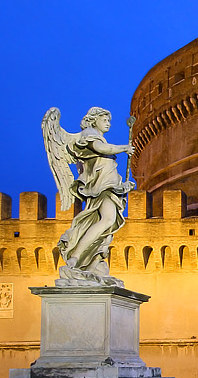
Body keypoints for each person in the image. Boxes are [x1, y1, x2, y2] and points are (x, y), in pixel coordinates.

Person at [43, 106, 135, 286]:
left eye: (109, 120)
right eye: (105, 119)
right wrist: (123, 148)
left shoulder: (99, 137)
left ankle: (89, 261)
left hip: (108, 187)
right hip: (99, 188)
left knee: (107, 225)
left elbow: (105, 163)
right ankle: (76, 258)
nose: (108, 123)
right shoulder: (89, 134)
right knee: (107, 221)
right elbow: (100, 148)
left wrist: (122, 186)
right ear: (94, 120)